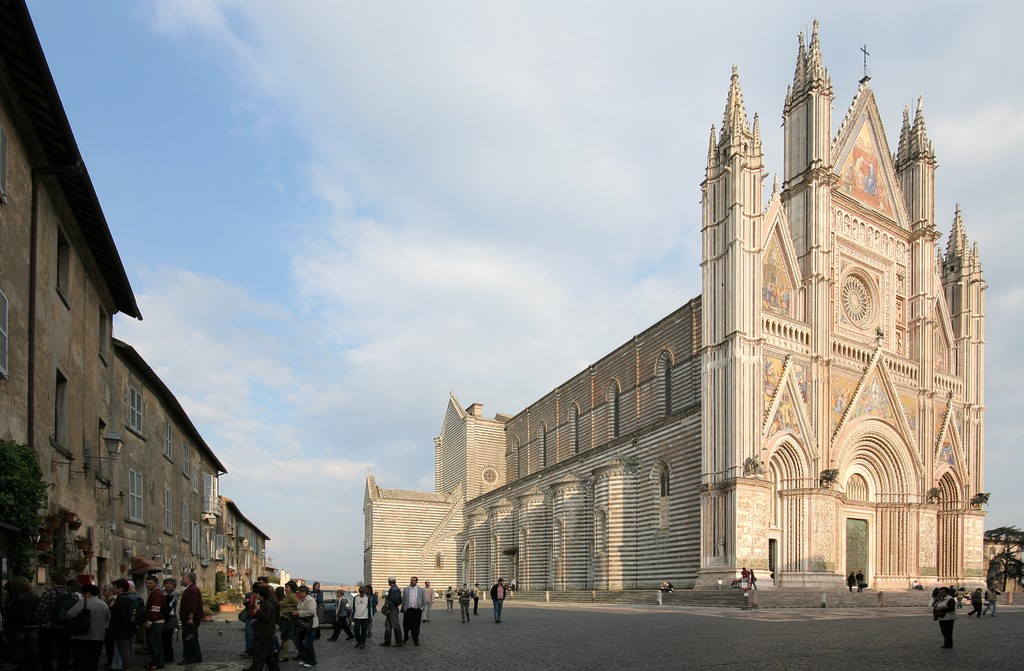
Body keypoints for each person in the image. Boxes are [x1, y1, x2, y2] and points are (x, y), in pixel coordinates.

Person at [36, 576, 79, 671]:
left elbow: (40, 610)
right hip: (65, 627)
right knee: (64, 650)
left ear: (53, 583)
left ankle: (47, 668)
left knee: (45, 650)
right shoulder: (73, 595)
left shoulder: (49, 594)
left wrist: (40, 621)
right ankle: (62, 668)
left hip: (48, 627)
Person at [67, 584, 111, 671]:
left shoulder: (83, 603)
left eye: (83, 593)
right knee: (94, 660)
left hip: (82, 636)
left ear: (88, 593)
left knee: (82, 661)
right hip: (99, 637)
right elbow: (107, 620)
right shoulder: (104, 604)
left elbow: (69, 614)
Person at [3, 576, 41, 671]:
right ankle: (34, 666)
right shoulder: (35, 596)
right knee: (33, 646)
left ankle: (22, 666)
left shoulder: (16, 595)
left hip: (19, 624)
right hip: (33, 623)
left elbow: (8, 608)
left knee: (19, 646)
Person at [250, 585, 280, 671]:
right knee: (269, 658)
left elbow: (266, 618)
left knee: (260, 656)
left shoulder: (267, 605)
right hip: (263, 632)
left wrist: (258, 611)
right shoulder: (263, 604)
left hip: (264, 634)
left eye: (257, 593)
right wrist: (256, 620)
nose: (255, 595)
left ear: (261, 595)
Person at [109, 580, 137, 671]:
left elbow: (121, 613)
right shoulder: (127, 597)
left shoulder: (121, 599)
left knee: (124, 651)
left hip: (122, 629)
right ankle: (130, 667)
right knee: (128, 649)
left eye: (114, 587)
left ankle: (127, 667)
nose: (112, 589)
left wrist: (111, 607)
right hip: (129, 628)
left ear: (120, 588)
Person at [178, 572, 204, 665]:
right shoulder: (191, 589)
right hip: (190, 617)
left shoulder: (192, 590)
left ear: (189, 579)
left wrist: (190, 617)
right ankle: (196, 656)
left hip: (191, 618)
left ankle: (189, 657)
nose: (182, 580)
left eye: (183, 578)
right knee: (193, 636)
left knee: (188, 637)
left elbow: (193, 604)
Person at [142, 575, 167, 670]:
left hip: (156, 622)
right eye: (147, 583)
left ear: (156, 583)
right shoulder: (155, 592)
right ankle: (154, 661)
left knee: (155, 644)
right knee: (153, 644)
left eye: (150, 583)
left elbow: (155, 610)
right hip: (156, 621)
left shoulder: (156, 594)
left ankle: (157, 663)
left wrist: (149, 622)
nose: (148, 585)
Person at [290, 585, 318, 667]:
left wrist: (298, 613)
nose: (299, 594)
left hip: (310, 625)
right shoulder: (303, 600)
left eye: (300, 593)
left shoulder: (310, 600)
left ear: (304, 592)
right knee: (298, 641)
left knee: (308, 644)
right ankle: (305, 658)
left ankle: (311, 661)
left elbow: (311, 611)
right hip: (303, 625)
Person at [277, 582, 298, 663]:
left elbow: (298, 604)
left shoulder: (291, 596)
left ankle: (285, 656)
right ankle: (300, 652)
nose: (285, 589)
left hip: (288, 619)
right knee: (289, 637)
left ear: (291, 589)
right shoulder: (288, 596)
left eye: (287, 588)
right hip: (286, 618)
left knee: (285, 637)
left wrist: (291, 611)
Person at [400, 576, 425, 646]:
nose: (412, 582)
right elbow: (403, 600)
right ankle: (406, 637)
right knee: (406, 625)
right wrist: (403, 609)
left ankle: (416, 640)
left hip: (417, 610)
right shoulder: (406, 589)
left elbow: (423, 600)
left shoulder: (421, 590)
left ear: (416, 581)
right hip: (408, 610)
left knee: (416, 625)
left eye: (414, 581)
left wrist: (421, 608)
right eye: (411, 580)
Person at [160, 579, 180, 665]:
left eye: (171, 584)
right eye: (167, 583)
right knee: (163, 638)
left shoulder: (175, 593)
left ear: (174, 586)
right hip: (162, 617)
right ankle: (164, 655)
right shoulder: (162, 592)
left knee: (167, 638)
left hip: (171, 618)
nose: (168, 585)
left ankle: (169, 657)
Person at [379, 578, 402, 647]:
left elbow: (395, 600)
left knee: (395, 625)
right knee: (388, 626)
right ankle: (387, 641)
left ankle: (398, 642)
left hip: (392, 609)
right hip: (391, 609)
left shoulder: (394, 589)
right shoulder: (394, 588)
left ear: (389, 582)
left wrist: (389, 604)